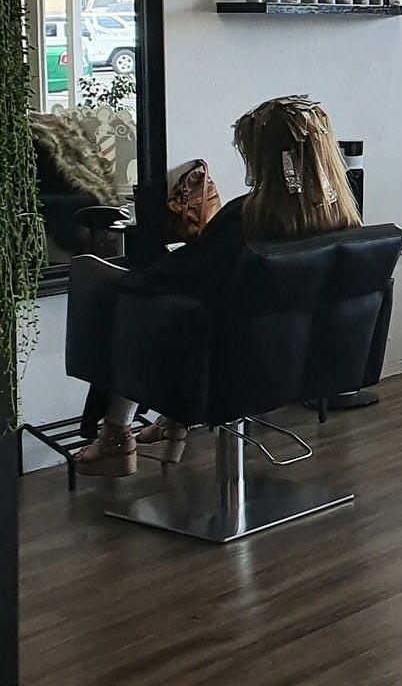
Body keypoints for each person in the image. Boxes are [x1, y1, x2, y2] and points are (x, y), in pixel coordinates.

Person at [73, 95, 362, 477]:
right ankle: (171, 421)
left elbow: (178, 276)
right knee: (167, 309)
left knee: (112, 290)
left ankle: (115, 432)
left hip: (226, 364)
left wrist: (139, 269)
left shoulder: (249, 216)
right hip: (300, 361)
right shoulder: (341, 216)